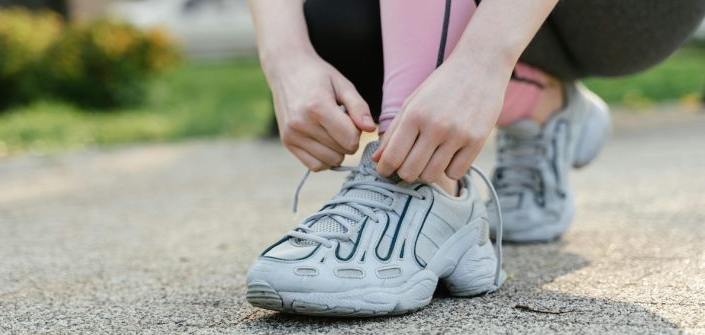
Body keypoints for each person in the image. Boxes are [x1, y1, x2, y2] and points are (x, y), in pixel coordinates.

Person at [244, 0, 705, 316]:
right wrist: (287, 59)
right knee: (332, 18)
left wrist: (486, 60)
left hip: (626, 15)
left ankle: (422, 183)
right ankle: (542, 105)